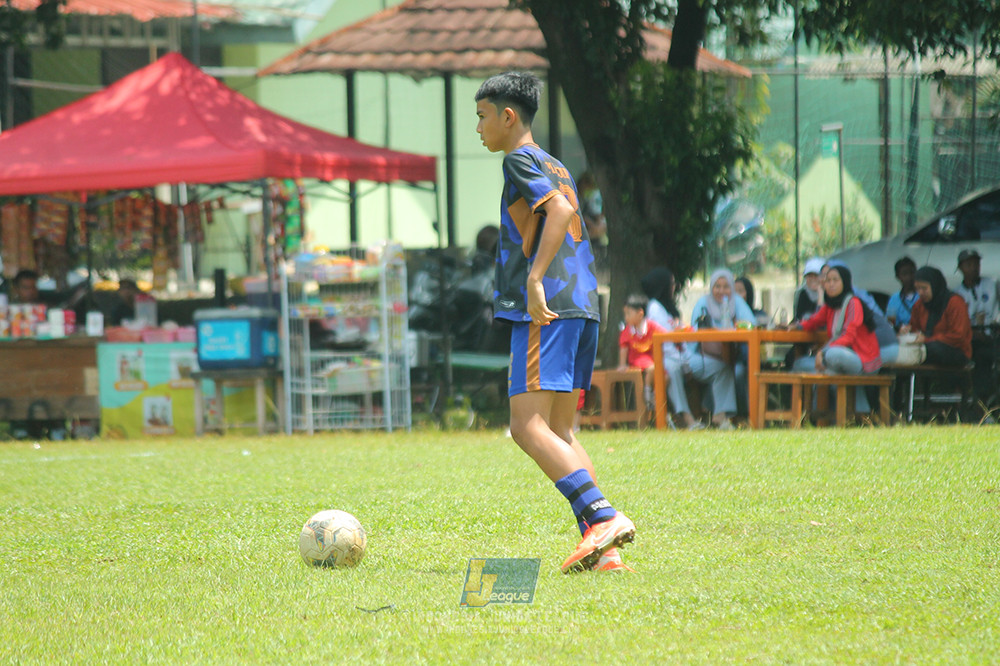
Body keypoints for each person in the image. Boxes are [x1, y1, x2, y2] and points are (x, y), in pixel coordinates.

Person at [475, 71, 634, 574]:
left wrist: (535, 278)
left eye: (482, 117)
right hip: (584, 304)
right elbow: (554, 216)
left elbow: (561, 211)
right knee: (562, 429)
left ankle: (603, 516)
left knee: (526, 426)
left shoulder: (519, 158)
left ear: (508, 116)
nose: (477, 128)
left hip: (550, 308)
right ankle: (605, 550)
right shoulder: (555, 163)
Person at [641, 267, 723, 431]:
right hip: (663, 356)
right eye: (671, 284)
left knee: (719, 367)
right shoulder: (654, 308)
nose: (674, 287)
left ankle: (721, 414)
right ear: (663, 286)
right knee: (672, 368)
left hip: (684, 355)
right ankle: (687, 418)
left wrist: (687, 358)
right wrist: (683, 362)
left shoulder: (669, 308)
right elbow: (664, 340)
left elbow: (680, 334)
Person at [793, 264, 882, 412]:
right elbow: (814, 320)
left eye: (835, 280)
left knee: (834, 355)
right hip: (839, 360)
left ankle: (822, 410)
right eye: (828, 281)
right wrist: (798, 326)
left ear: (845, 282)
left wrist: (823, 352)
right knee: (799, 363)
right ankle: (822, 416)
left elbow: (849, 336)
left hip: (860, 359)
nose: (831, 284)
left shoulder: (854, 303)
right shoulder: (830, 306)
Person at [688, 268, 754, 427]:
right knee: (724, 369)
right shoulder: (702, 303)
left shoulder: (736, 301)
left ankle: (725, 414)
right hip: (700, 356)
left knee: (733, 369)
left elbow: (752, 325)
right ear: (711, 287)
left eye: (726, 286)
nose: (721, 290)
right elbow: (693, 335)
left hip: (730, 355)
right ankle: (721, 416)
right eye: (717, 286)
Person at [900, 266, 972, 367]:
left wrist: (928, 339)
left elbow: (958, 336)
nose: (920, 293)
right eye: (917, 289)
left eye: (924, 288)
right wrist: (907, 333)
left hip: (956, 351)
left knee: (934, 348)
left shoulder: (955, 302)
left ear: (935, 286)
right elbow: (915, 328)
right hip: (927, 348)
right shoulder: (919, 305)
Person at [953, 249, 998, 401]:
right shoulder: (957, 294)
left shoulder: (992, 284)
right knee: (980, 357)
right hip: (971, 339)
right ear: (960, 268)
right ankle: (982, 400)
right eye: (969, 264)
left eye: (976, 264)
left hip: (993, 334)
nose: (973, 268)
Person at [617, 294, 667, 411]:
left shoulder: (651, 326)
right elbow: (623, 347)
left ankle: (655, 395)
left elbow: (664, 334)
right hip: (637, 360)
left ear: (640, 313)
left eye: (628, 314)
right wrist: (622, 364)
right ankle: (647, 392)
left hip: (653, 359)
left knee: (667, 377)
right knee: (652, 369)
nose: (626, 318)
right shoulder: (627, 330)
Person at [885, 256, 919, 330]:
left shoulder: (923, 295)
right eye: (904, 274)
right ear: (898, 276)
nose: (909, 277)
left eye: (912, 273)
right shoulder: (894, 299)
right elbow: (890, 324)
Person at [793, 257, 825, 322]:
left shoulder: (830, 293)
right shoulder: (801, 293)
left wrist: (820, 294)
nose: (813, 278)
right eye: (809, 275)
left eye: (816, 275)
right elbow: (799, 317)